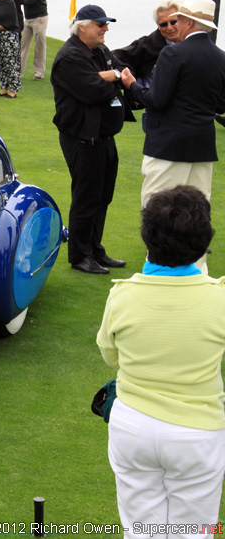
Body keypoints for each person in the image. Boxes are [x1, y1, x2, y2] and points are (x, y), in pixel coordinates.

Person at [97, 185, 225, 539]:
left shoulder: (121, 295)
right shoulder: (220, 298)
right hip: (197, 434)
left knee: (141, 533)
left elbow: (111, 354)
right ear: (203, 243)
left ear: (147, 238)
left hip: (132, 428)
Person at [121, 0, 225, 230]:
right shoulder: (220, 57)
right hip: (202, 144)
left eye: (177, 21)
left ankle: (158, 263)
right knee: (197, 209)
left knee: (157, 206)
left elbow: (156, 100)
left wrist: (132, 84)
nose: (173, 26)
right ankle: (197, 264)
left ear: (188, 23)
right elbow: (221, 105)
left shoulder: (173, 54)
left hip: (168, 144)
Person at [51, 5, 134, 274]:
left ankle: (95, 249)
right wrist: (111, 77)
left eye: (106, 24)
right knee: (86, 199)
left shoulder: (100, 51)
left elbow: (121, 71)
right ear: (83, 26)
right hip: (83, 139)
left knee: (103, 197)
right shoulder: (69, 57)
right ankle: (79, 255)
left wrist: (111, 75)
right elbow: (93, 91)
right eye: (101, 24)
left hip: (104, 137)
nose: (105, 29)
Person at [113, 0, 182, 88]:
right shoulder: (147, 45)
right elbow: (116, 56)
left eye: (173, 22)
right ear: (158, 26)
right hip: (151, 98)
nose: (169, 28)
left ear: (182, 20)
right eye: (163, 24)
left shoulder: (193, 42)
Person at [20, 0, 48, 81]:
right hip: (28, 18)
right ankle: (18, 72)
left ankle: (39, 73)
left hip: (39, 18)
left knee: (39, 46)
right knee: (22, 45)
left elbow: (32, 1)